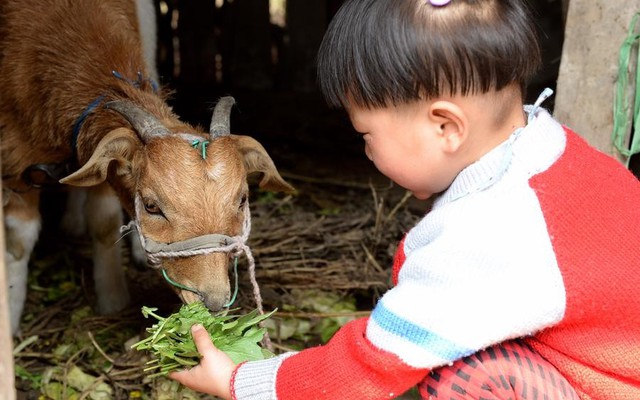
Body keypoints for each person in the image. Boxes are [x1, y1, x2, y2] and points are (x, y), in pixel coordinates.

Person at [170, 0, 640, 398]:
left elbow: (375, 364)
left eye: (367, 134)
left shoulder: (494, 233)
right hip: (605, 368)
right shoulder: (552, 154)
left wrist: (239, 381)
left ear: (445, 127)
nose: (366, 150)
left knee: (466, 373)